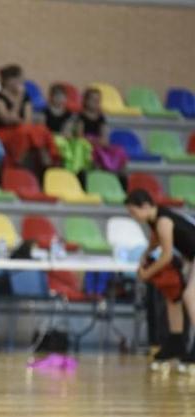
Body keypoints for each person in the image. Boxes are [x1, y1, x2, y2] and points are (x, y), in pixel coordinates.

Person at [125, 189, 195, 365]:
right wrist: (145, 253)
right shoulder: (155, 220)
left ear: (146, 206)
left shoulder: (163, 221)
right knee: (174, 296)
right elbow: (155, 241)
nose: (134, 217)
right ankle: (176, 341)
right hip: (191, 258)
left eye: (134, 212)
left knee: (189, 296)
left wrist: (146, 274)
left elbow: (167, 256)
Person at [0, 64, 58, 176]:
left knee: (41, 129)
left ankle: (45, 158)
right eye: (18, 79)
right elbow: (7, 119)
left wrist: (19, 117)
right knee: (24, 132)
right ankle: (19, 161)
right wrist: (18, 99)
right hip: (1, 131)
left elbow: (26, 120)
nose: (21, 81)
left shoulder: (26, 96)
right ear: (9, 80)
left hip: (20, 129)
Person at [44, 84, 92, 175]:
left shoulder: (70, 114)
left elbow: (69, 131)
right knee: (60, 142)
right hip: (51, 137)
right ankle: (64, 167)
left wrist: (70, 134)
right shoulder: (45, 112)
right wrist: (58, 135)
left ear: (66, 98)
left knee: (81, 143)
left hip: (65, 137)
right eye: (57, 96)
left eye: (62, 96)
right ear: (51, 97)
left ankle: (77, 170)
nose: (59, 98)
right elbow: (43, 131)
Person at [79, 88, 127, 173]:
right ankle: (97, 170)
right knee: (96, 151)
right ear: (86, 101)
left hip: (99, 143)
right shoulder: (80, 116)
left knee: (119, 151)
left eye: (98, 100)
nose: (96, 102)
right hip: (87, 145)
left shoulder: (101, 118)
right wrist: (92, 141)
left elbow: (105, 137)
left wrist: (102, 142)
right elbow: (80, 136)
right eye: (93, 99)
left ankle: (117, 175)